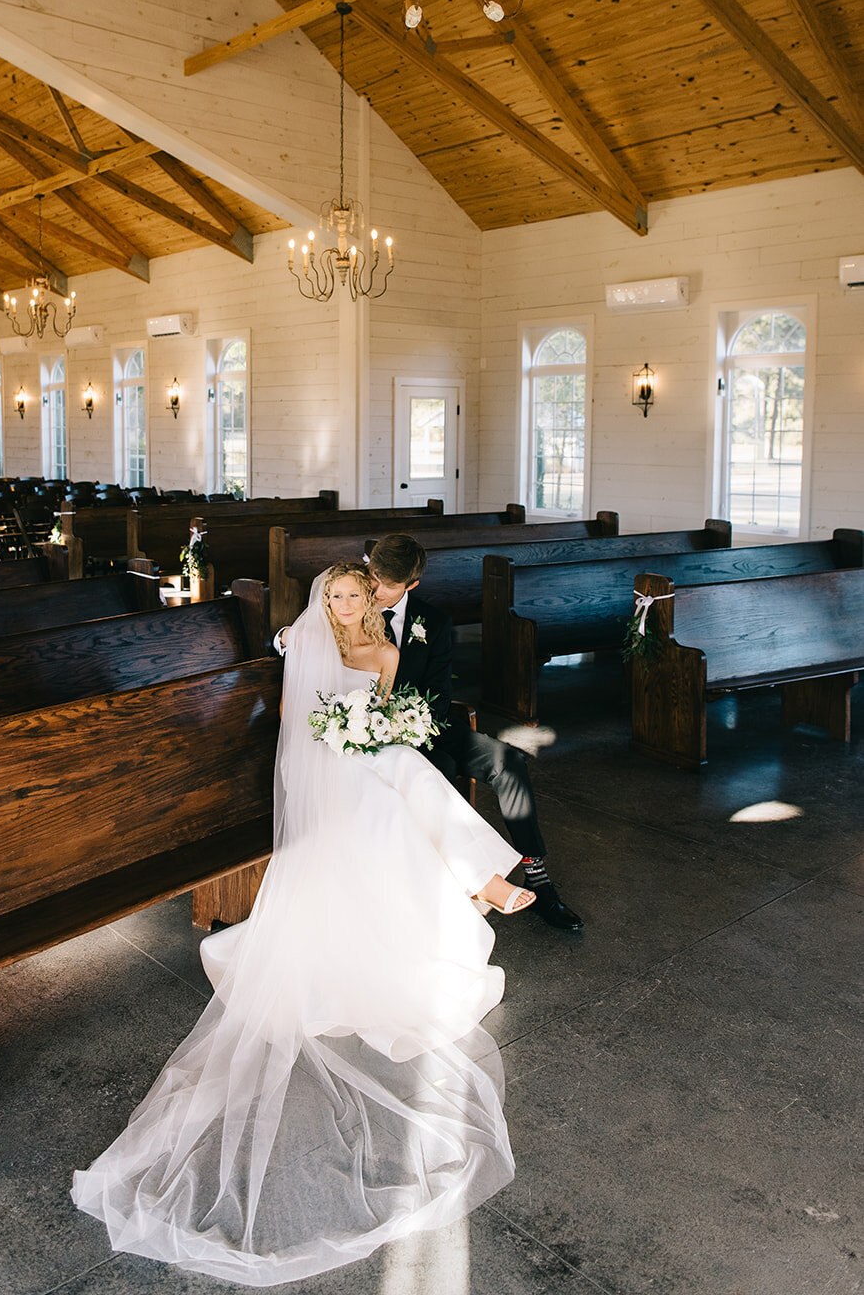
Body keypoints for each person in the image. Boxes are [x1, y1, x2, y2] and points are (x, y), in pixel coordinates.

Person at [73, 563, 533, 1285]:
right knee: (402, 789)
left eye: (356, 598)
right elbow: (295, 725)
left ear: (369, 603)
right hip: (319, 766)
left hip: (367, 757)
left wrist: (377, 730)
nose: (347, 607)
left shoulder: (384, 653)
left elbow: (382, 717)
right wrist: (342, 737)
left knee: (406, 771)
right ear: (326, 600)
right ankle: (486, 876)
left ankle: (482, 879)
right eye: (337, 597)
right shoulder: (309, 645)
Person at [367, 532, 584, 933]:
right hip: (371, 737)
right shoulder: (346, 606)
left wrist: (411, 724)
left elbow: (439, 694)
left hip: (426, 724)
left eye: (389, 585)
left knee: (509, 761)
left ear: (411, 585)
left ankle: (538, 878)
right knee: (442, 768)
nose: (376, 589)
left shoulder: (433, 621)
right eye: (374, 575)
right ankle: (455, 884)